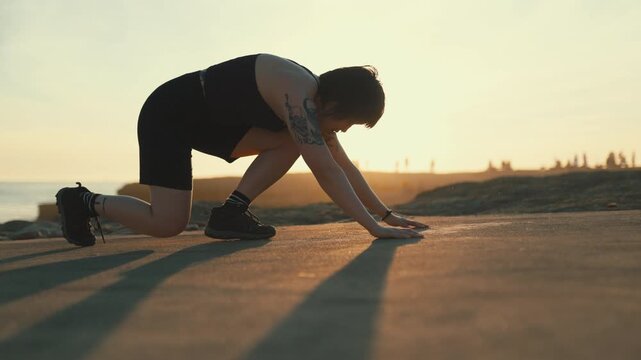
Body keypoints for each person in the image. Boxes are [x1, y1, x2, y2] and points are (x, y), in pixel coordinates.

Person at [55, 53, 428, 246]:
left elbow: (343, 166)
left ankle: (230, 213)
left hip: (214, 125)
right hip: (168, 113)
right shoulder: (296, 91)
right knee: (167, 224)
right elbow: (326, 172)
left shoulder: (313, 108)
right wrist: (372, 229)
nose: (345, 130)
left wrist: (387, 214)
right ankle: (83, 201)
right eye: (348, 122)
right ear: (334, 106)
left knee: (298, 140)